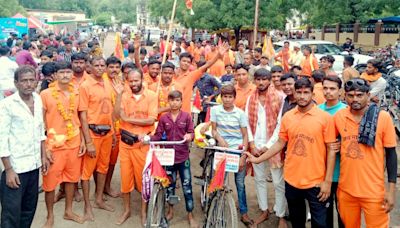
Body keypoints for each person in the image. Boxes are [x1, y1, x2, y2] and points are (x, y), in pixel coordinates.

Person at [246, 77, 337, 228]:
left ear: (312, 94)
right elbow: (280, 143)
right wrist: (258, 159)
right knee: (296, 221)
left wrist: (327, 182)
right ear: (294, 94)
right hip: (291, 179)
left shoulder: (325, 118)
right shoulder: (288, 117)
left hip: (316, 182)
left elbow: (331, 150)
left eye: (306, 92)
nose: (302, 96)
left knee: (320, 224)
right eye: (299, 92)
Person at [334, 78, 397, 227]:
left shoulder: (383, 117)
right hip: (346, 190)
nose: (354, 99)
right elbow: (333, 145)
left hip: (373, 192)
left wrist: (391, 191)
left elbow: (391, 155)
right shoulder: (339, 117)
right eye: (350, 95)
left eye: (359, 95)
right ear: (344, 96)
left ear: (368, 95)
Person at [0, 65, 49, 227]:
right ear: (16, 83)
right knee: (11, 213)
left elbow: (41, 129)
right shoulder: (7, 104)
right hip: (16, 168)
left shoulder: (37, 98)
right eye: (24, 81)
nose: (28, 84)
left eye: (31, 80)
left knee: (29, 209)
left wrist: (43, 155)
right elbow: (2, 138)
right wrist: (8, 170)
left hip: (34, 165)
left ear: (36, 82)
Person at [40, 61, 85, 227]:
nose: (65, 75)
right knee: (49, 183)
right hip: (53, 146)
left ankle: (68, 211)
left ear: (72, 74)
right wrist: (45, 148)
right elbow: (41, 122)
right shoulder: (45, 94)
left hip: (74, 143)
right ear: (55, 75)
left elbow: (81, 118)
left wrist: (84, 141)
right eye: (61, 72)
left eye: (68, 72)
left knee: (72, 179)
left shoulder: (77, 92)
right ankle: (50, 216)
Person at [113, 68, 158, 225]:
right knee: (125, 179)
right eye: (130, 81)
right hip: (125, 144)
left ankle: (144, 212)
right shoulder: (124, 96)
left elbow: (151, 120)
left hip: (143, 145)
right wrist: (118, 96)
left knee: (144, 180)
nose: (133, 84)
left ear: (142, 80)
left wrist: (128, 119)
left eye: (136, 80)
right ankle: (127, 210)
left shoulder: (152, 96)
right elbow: (117, 116)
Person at [245, 69, 287, 227]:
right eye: (258, 79)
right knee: (259, 179)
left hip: (274, 147)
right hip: (256, 145)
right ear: (254, 80)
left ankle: (281, 215)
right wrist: (252, 143)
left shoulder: (280, 97)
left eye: (264, 79)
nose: (261, 82)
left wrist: (268, 147)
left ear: (270, 80)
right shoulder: (251, 98)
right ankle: (264, 210)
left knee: (278, 182)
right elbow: (247, 123)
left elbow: (280, 125)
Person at [150, 90, 198, 227]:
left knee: (187, 187)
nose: (174, 103)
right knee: (170, 186)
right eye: (171, 100)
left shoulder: (187, 117)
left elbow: (191, 132)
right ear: (168, 102)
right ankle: (170, 210)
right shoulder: (164, 118)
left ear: (181, 102)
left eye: (177, 100)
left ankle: (190, 214)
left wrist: (190, 136)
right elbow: (158, 135)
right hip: (168, 158)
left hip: (183, 158)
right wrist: (148, 138)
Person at [78, 57, 116, 221]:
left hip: (107, 133)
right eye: (97, 65)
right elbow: (83, 116)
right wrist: (88, 142)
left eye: (102, 65)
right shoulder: (85, 86)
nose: (100, 68)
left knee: (103, 168)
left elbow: (110, 112)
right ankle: (87, 206)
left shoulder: (108, 83)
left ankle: (98, 198)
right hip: (93, 134)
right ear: (90, 67)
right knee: (86, 173)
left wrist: (113, 132)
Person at [210, 84, 253, 226]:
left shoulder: (240, 114)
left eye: (230, 97)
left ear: (234, 98)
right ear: (221, 98)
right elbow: (214, 130)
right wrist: (220, 139)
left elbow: (245, 135)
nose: (227, 100)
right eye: (225, 97)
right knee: (218, 181)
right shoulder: (215, 110)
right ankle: (214, 208)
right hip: (221, 151)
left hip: (236, 151)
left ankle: (244, 212)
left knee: (240, 184)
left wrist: (243, 156)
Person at [318, 75, 347, 228]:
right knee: (325, 214)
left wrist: (343, 144)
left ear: (340, 91)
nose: (328, 92)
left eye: (332, 89)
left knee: (343, 213)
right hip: (323, 172)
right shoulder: (317, 110)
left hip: (342, 172)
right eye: (325, 88)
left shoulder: (346, 111)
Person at [174, 43, 229, 113]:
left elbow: (207, 65)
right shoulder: (171, 75)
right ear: (179, 61)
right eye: (184, 61)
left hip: (184, 113)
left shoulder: (191, 76)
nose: (186, 63)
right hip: (169, 113)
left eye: (188, 62)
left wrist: (218, 55)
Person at [103, 56, 123, 198]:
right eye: (111, 67)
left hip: (118, 128)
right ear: (106, 68)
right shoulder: (101, 82)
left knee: (112, 161)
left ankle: (107, 186)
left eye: (117, 67)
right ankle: (100, 188)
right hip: (103, 127)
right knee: (101, 162)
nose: (114, 70)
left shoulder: (121, 83)